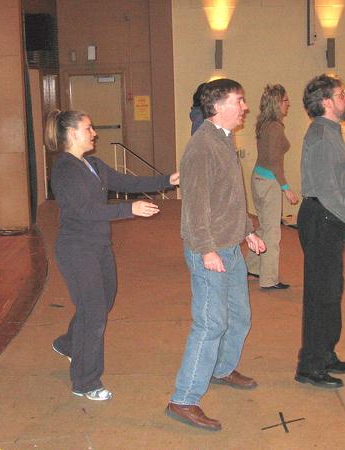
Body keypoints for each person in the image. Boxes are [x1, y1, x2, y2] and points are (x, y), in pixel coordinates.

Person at [45, 109, 179, 401]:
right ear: (72, 134)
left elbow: (127, 183)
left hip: (98, 246)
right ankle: (85, 381)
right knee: (94, 313)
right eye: (89, 128)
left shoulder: (92, 164)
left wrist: (168, 179)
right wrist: (129, 209)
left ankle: (69, 343)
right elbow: (86, 211)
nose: (94, 133)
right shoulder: (65, 169)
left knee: (102, 301)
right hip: (76, 248)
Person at [166, 79, 265, 431]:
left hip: (230, 244)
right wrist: (206, 249)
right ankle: (184, 399)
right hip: (208, 249)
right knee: (210, 324)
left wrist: (248, 230)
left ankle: (222, 369)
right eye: (239, 100)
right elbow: (194, 207)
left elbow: (230, 198)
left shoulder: (224, 139)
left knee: (239, 317)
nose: (245, 107)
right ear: (219, 106)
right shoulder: (201, 147)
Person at [295, 74, 345, 390]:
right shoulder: (323, 137)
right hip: (323, 219)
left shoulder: (330, 132)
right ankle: (310, 366)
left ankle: (325, 354)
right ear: (327, 102)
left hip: (329, 220)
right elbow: (327, 191)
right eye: (341, 94)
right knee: (320, 295)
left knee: (331, 291)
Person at [245, 84, 298, 290]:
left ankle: (252, 266)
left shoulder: (264, 123)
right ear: (277, 103)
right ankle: (269, 279)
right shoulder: (275, 127)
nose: (288, 104)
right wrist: (286, 188)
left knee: (264, 226)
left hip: (259, 177)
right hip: (269, 182)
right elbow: (275, 162)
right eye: (286, 100)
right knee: (273, 232)